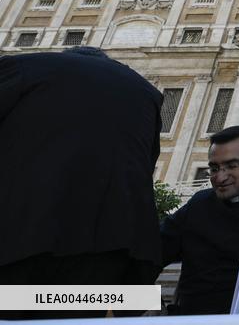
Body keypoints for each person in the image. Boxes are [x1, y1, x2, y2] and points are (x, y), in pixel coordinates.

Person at [0, 47, 163, 320]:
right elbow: (147, 163)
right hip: (110, 250)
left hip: (18, 235)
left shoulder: (24, 66)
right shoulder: (146, 92)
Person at [160, 126, 239, 315]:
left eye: (231, 166)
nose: (220, 177)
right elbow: (148, 256)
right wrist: (145, 303)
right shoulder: (198, 205)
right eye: (214, 168)